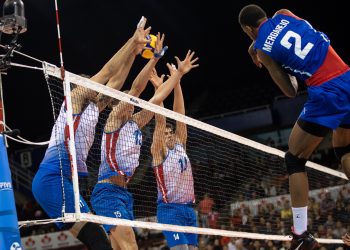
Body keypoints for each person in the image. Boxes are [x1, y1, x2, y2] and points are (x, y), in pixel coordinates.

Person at [32, 17, 151, 250]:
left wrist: (134, 54)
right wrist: (131, 40)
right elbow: (108, 71)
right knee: (98, 241)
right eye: (93, 86)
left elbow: (116, 80)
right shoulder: (74, 100)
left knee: (99, 242)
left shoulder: (94, 108)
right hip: (52, 180)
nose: (99, 90)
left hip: (67, 182)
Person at [238, 4, 350, 249]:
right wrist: (254, 46)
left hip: (326, 92)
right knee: (343, 149)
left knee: (294, 159)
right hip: (346, 77)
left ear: (247, 29)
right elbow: (279, 27)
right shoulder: (284, 13)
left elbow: (291, 90)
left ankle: (301, 235)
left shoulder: (263, 50)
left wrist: (263, 58)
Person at [91, 49, 199, 250]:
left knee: (120, 247)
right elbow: (136, 91)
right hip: (107, 192)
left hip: (123, 193)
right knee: (130, 245)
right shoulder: (114, 120)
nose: (131, 106)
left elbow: (157, 101)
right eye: (127, 103)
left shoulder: (136, 122)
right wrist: (156, 59)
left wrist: (178, 75)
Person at [151, 60, 199, 250]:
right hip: (169, 210)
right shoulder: (158, 151)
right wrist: (159, 90)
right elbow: (160, 119)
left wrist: (177, 80)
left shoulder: (180, 145)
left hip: (189, 210)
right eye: (165, 133)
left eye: (171, 133)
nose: (169, 135)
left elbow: (180, 114)